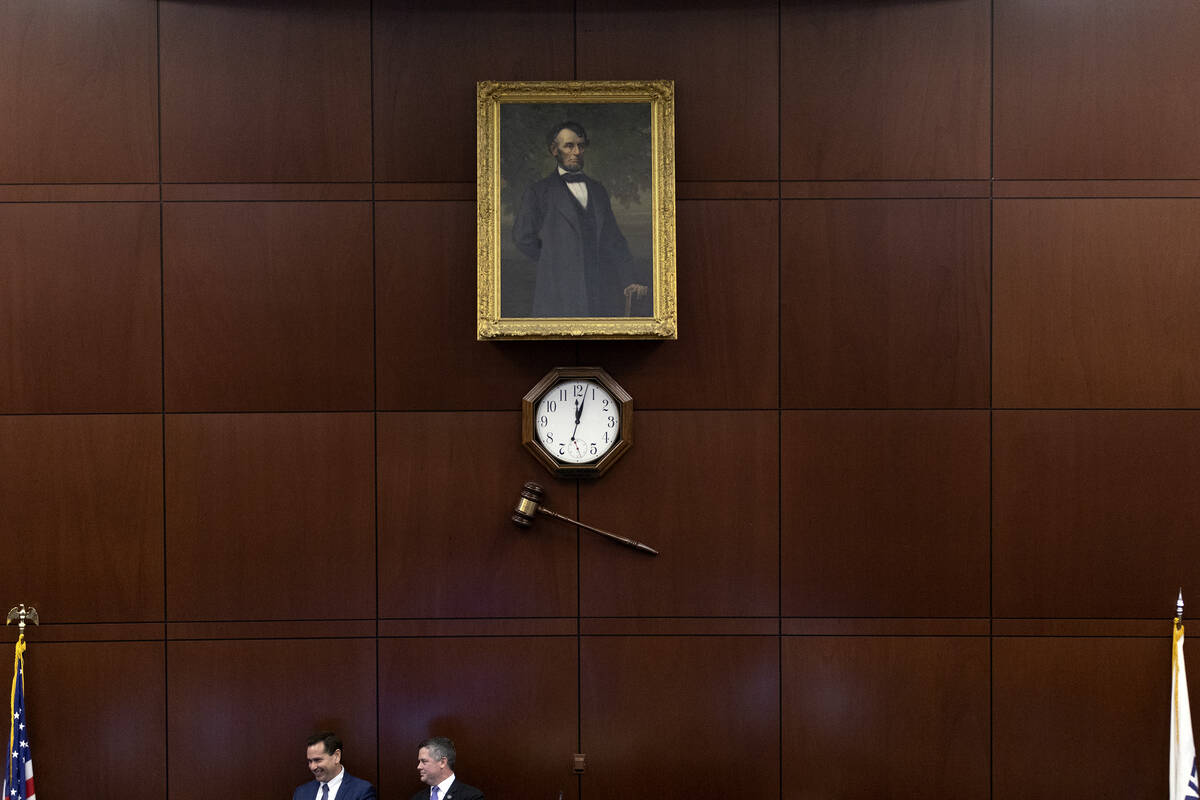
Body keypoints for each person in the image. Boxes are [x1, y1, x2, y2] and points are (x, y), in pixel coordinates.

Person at [512, 120, 648, 317]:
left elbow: (614, 240)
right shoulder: (538, 191)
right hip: (559, 291)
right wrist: (555, 260)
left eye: (580, 146)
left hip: (600, 288)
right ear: (554, 150)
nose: (576, 152)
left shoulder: (598, 190)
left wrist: (630, 278)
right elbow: (522, 237)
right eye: (569, 146)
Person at [293, 731, 377, 800]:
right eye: (310, 761)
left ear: (337, 756)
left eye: (317, 760)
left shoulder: (362, 791)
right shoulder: (301, 793)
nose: (312, 767)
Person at [411, 737, 484, 800]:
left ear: (442, 762)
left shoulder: (472, 796)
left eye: (424, 761)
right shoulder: (417, 797)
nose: (419, 767)